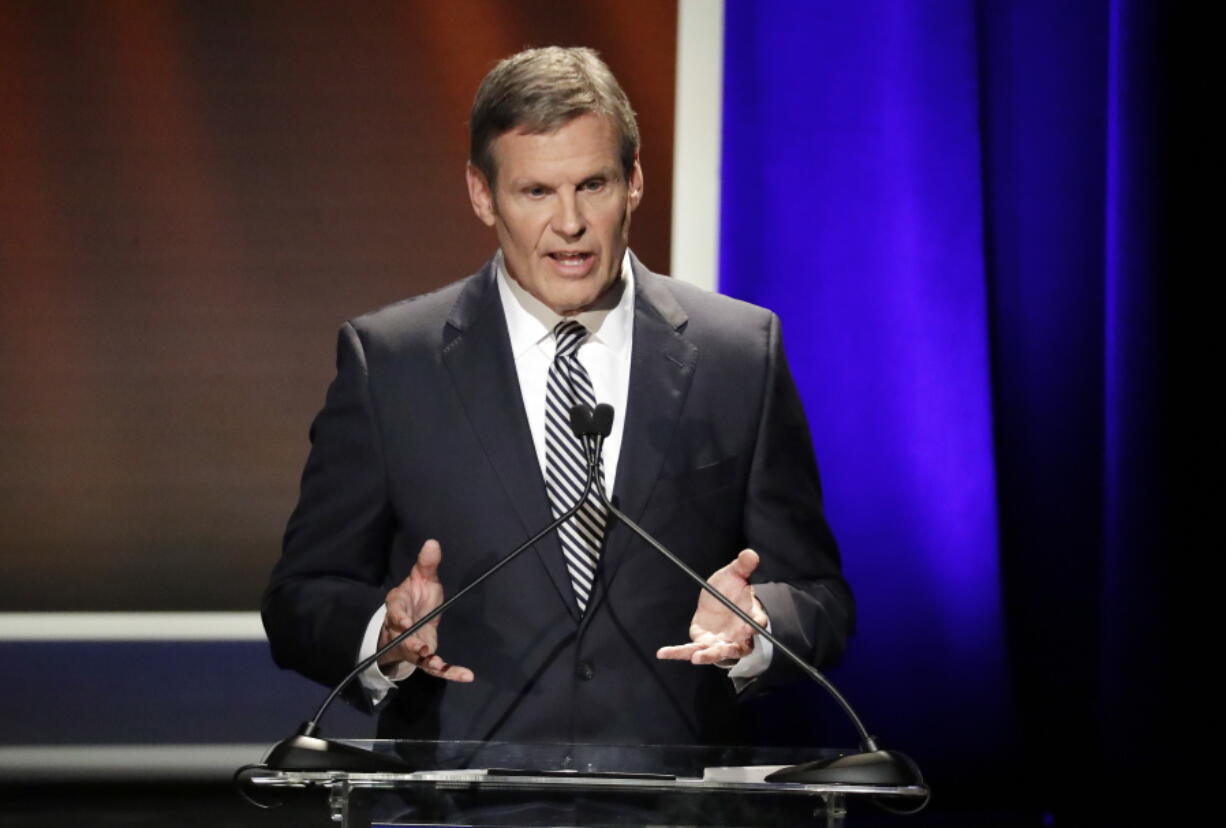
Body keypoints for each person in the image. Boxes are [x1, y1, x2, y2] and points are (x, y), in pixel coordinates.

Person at [263, 46, 853, 746]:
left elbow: (820, 595)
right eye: (536, 191)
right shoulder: (392, 362)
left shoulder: (738, 353)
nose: (569, 224)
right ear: (483, 195)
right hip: (460, 803)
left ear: (634, 182)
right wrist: (385, 636)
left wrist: (760, 623)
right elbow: (301, 598)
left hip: (674, 802)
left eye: (593, 185)